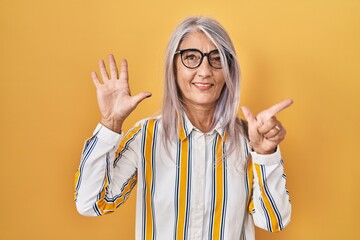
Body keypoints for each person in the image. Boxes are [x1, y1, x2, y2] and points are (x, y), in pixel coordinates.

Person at [74, 16, 292, 240]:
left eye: (217, 59)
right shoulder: (146, 136)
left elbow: (273, 221)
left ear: (228, 71)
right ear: (174, 67)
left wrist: (265, 155)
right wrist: (110, 124)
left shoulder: (250, 140)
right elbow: (91, 203)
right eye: (191, 58)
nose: (205, 71)